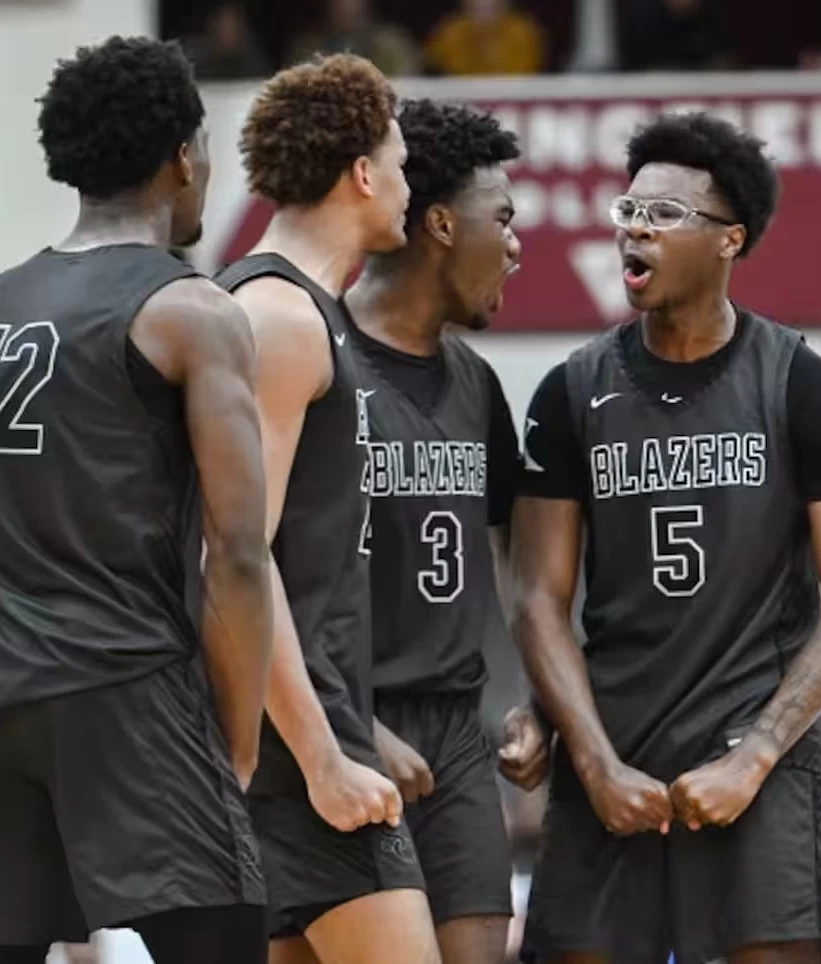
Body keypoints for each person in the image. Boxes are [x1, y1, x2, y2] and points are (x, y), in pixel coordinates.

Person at [512, 111, 821, 964]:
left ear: (731, 239)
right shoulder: (570, 392)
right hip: (611, 752)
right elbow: (536, 595)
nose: (635, 229)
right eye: (628, 211)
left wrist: (757, 755)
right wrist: (591, 759)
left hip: (754, 753)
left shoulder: (804, 384)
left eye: (665, 214)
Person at [0, 36, 273, 964]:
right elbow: (240, 554)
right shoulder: (193, 310)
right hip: (120, 686)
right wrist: (237, 744)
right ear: (183, 157)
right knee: (227, 941)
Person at [214, 54, 439, 964]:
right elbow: (234, 558)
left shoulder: (295, 309)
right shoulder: (279, 317)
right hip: (293, 753)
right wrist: (321, 759)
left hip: (301, 729)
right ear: (362, 174)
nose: (408, 186)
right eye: (401, 164)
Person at [341, 98, 541, 964]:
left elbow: (517, 556)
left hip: (457, 731)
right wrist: (345, 726)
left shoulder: (477, 385)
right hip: (342, 720)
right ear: (440, 225)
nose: (516, 245)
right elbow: (243, 570)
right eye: (504, 219)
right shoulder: (315, 353)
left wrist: (539, 694)